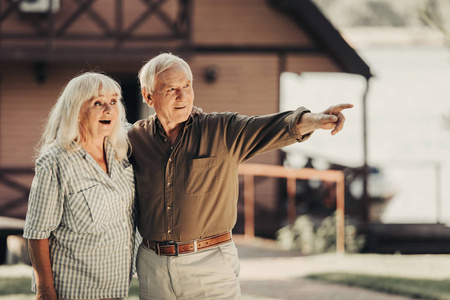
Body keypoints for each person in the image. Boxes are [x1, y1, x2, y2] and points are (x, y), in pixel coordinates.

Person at [128, 52, 353, 300]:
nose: (183, 96)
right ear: (148, 96)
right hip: (153, 266)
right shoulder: (134, 139)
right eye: (172, 89)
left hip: (209, 264)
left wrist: (314, 120)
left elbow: (272, 126)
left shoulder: (222, 129)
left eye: (187, 86)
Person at [23, 72, 138, 300]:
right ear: (76, 110)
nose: (108, 109)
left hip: (117, 288)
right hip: (74, 289)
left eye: (113, 102)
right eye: (98, 103)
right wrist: (45, 289)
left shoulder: (122, 149)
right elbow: (37, 232)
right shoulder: (55, 160)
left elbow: (158, 129)